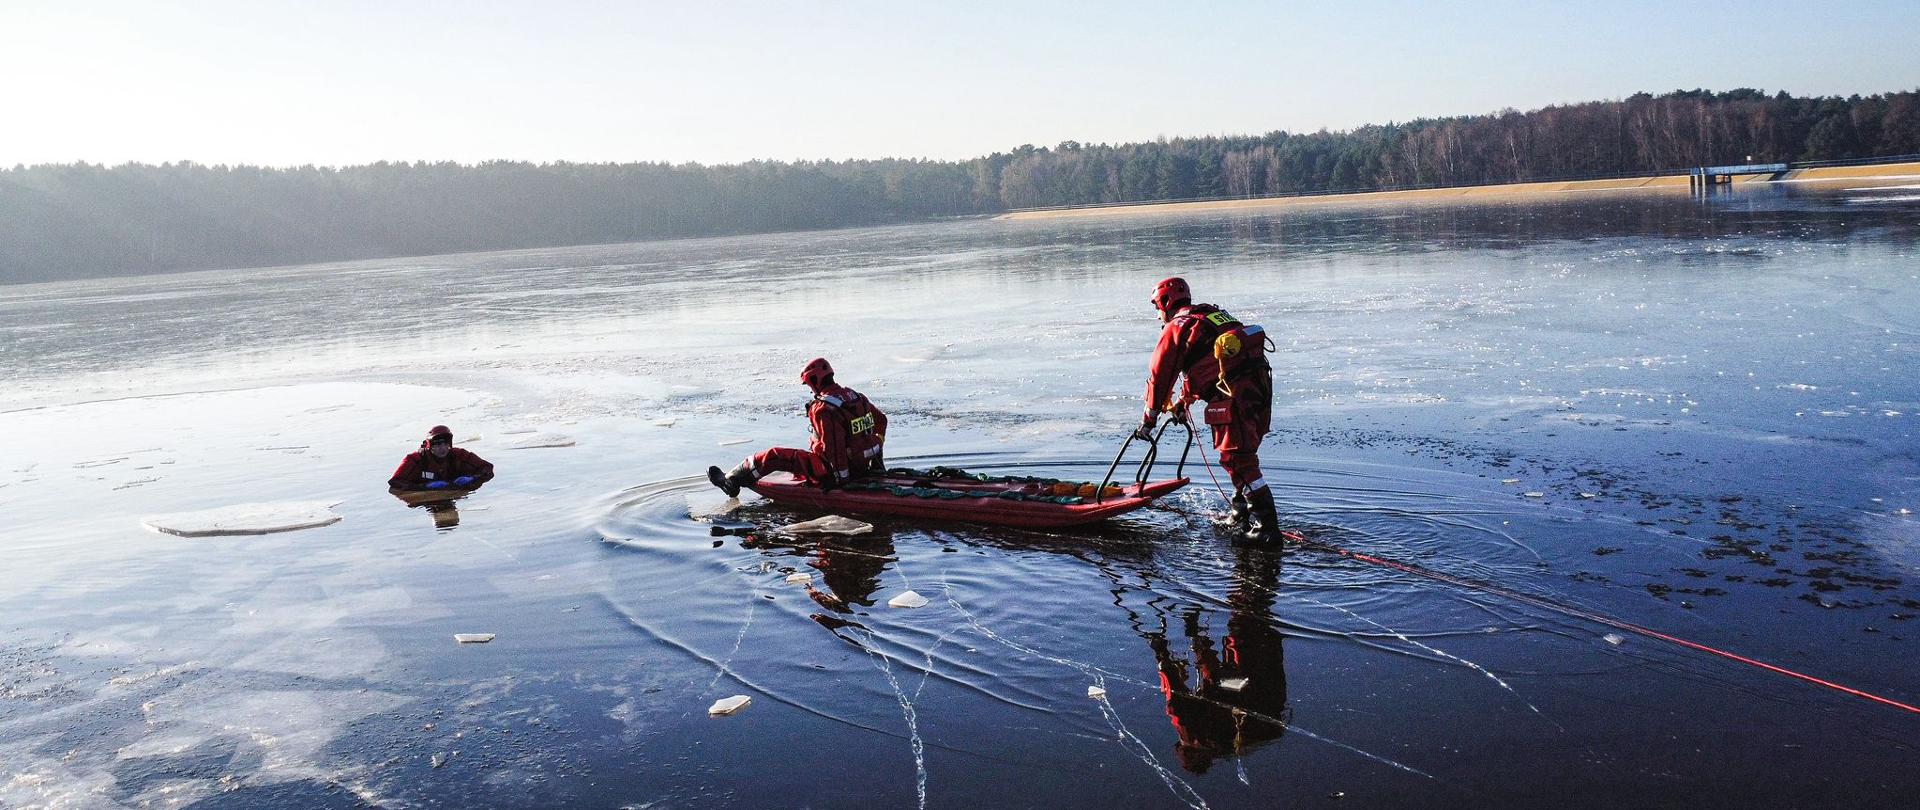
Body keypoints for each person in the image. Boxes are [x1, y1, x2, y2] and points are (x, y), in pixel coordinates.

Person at [1138, 276, 1279, 543]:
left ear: (1165, 303)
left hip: (1233, 397)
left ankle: (1266, 528)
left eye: (1157, 308)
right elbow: (1208, 366)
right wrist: (1183, 402)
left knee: (1238, 460)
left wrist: (1149, 421)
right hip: (1258, 391)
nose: (1158, 316)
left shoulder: (1177, 327)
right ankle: (1240, 512)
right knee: (1241, 456)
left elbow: (1159, 378)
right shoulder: (1211, 317)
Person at [708, 358, 887, 497]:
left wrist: (841, 480)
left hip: (832, 472)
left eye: (809, 384)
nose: (810, 389)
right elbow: (881, 421)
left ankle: (731, 482)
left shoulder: (824, 408)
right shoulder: (857, 397)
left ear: (814, 380)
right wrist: (877, 460)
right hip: (862, 465)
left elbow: (834, 447)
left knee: (773, 456)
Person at [388, 425, 495, 491]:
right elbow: (395, 482)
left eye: (445, 444)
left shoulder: (459, 455)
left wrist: (473, 478)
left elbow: (487, 467)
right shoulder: (415, 459)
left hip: (454, 492)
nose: (442, 448)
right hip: (428, 497)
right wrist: (424, 487)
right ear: (430, 446)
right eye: (438, 445)